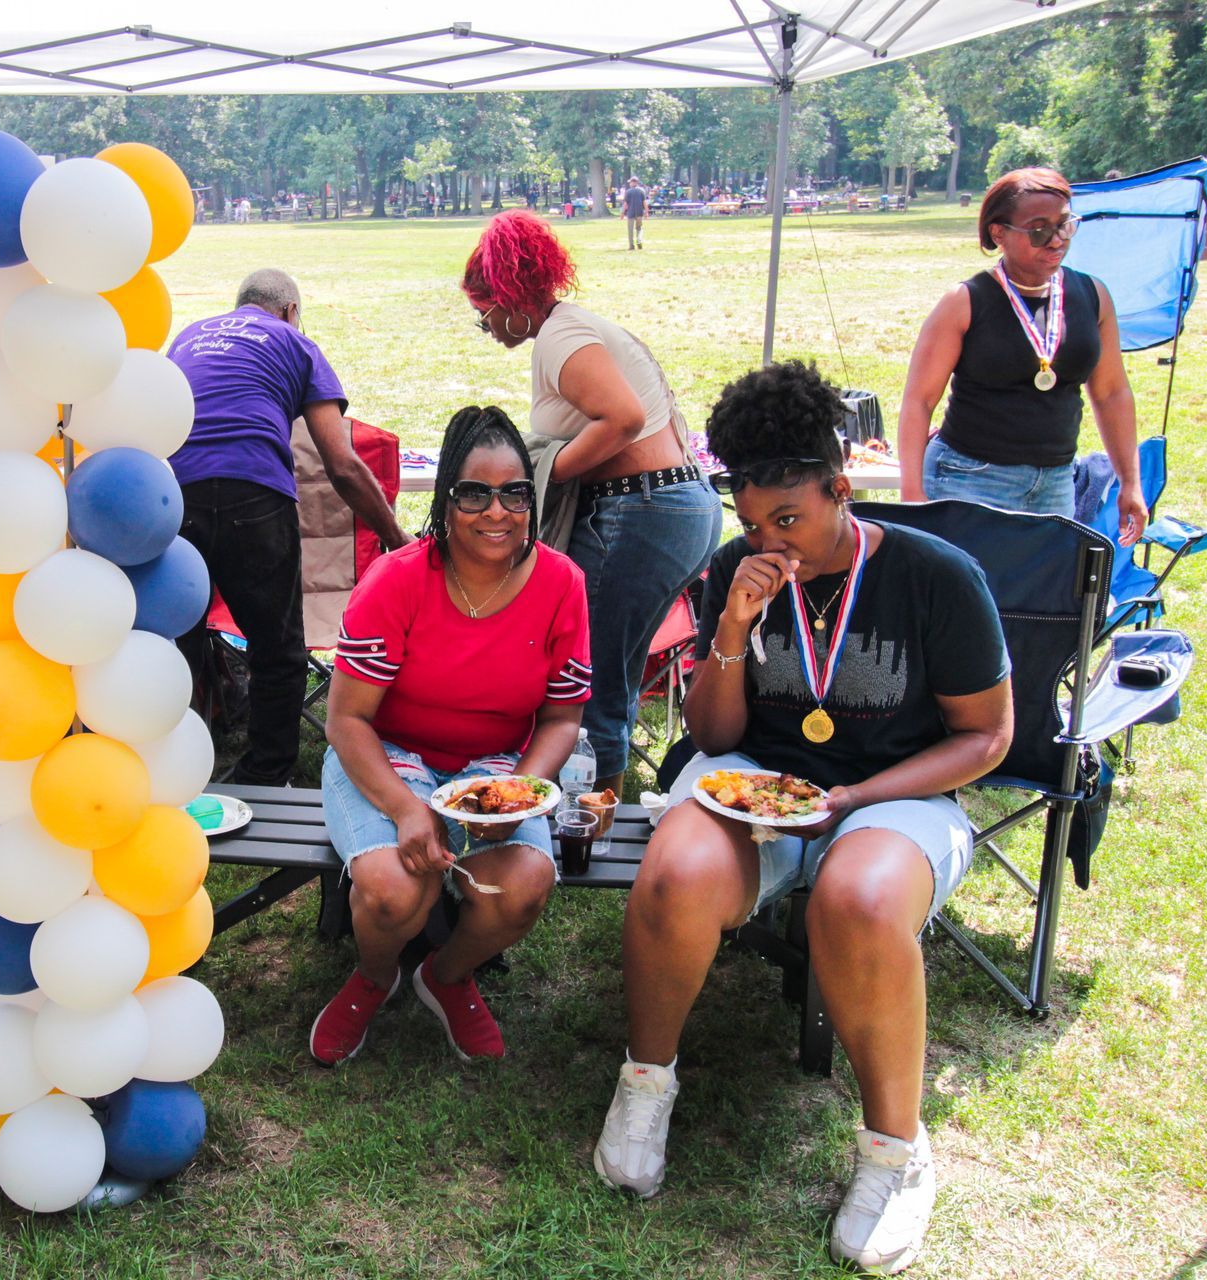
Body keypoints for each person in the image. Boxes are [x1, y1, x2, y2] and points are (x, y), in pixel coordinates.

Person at [596, 361, 1014, 1275]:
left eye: (789, 518)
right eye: (751, 522)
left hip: (897, 794)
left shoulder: (934, 577)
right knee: (673, 870)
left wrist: (858, 799)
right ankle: (645, 1083)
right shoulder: (730, 574)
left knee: (858, 904)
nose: (769, 540)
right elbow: (712, 733)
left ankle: (896, 1155)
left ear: (839, 488)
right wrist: (734, 630)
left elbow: (988, 738)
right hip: (758, 782)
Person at [312, 406, 590, 1067]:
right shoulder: (399, 579)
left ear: (533, 499)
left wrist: (520, 790)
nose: (497, 512)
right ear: (445, 500)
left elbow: (561, 718)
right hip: (387, 755)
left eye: (515, 493)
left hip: (494, 766)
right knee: (392, 888)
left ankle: (448, 975)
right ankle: (376, 978)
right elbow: (346, 720)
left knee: (522, 886)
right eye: (475, 493)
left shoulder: (561, 584)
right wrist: (408, 809)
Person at [463, 210, 722, 796]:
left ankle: (590, 821)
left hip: (641, 512)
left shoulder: (561, 336)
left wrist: (540, 476)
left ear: (508, 301)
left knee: (593, 675)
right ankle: (605, 803)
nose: (487, 329)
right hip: (674, 508)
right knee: (618, 670)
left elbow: (624, 419)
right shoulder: (572, 328)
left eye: (484, 317)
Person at [165, 268, 408, 787]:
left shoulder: (187, 336)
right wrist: (394, 537)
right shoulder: (295, 343)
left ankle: (172, 762)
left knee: (178, 635)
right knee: (277, 647)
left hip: (171, 493)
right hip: (252, 492)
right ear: (290, 312)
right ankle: (266, 772)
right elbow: (340, 462)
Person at [897, 167, 1146, 543]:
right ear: (1000, 233)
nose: (1056, 240)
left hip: (1056, 484)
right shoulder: (964, 302)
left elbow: (1112, 394)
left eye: (1065, 225)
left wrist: (1130, 482)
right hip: (969, 479)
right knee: (966, 601)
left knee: (1034, 601)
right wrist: (913, 496)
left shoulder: (1093, 297)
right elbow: (919, 400)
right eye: (1039, 229)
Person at [622, 177, 648, 250]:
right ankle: (639, 242)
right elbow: (644, 202)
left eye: (630, 182)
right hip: (639, 212)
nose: (630, 183)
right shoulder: (641, 191)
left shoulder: (628, 192)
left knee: (630, 230)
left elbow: (625, 204)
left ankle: (631, 245)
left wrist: (622, 213)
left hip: (630, 213)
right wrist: (646, 212)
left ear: (632, 182)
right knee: (639, 229)